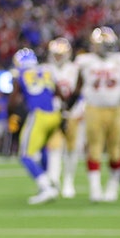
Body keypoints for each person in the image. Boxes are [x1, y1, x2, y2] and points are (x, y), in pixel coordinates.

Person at [67, 26, 120, 203]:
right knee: (94, 148)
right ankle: (95, 188)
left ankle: (112, 186)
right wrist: (68, 108)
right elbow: (78, 87)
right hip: (93, 108)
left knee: (116, 150)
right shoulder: (85, 61)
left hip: (116, 109)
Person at [8, 47, 62, 205]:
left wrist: (12, 111)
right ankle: (48, 183)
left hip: (38, 115)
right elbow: (59, 92)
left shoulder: (21, 73)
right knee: (43, 148)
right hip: (54, 114)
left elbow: (13, 100)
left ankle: (46, 187)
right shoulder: (47, 70)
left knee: (25, 155)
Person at [45, 37, 83, 198]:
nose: (58, 57)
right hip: (53, 113)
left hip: (73, 114)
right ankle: (53, 181)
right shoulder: (46, 69)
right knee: (54, 149)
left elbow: (80, 91)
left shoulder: (75, 69)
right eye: (56, 54)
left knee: (72, 150)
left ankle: (68, 181)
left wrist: (77, 111)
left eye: (61, 54)